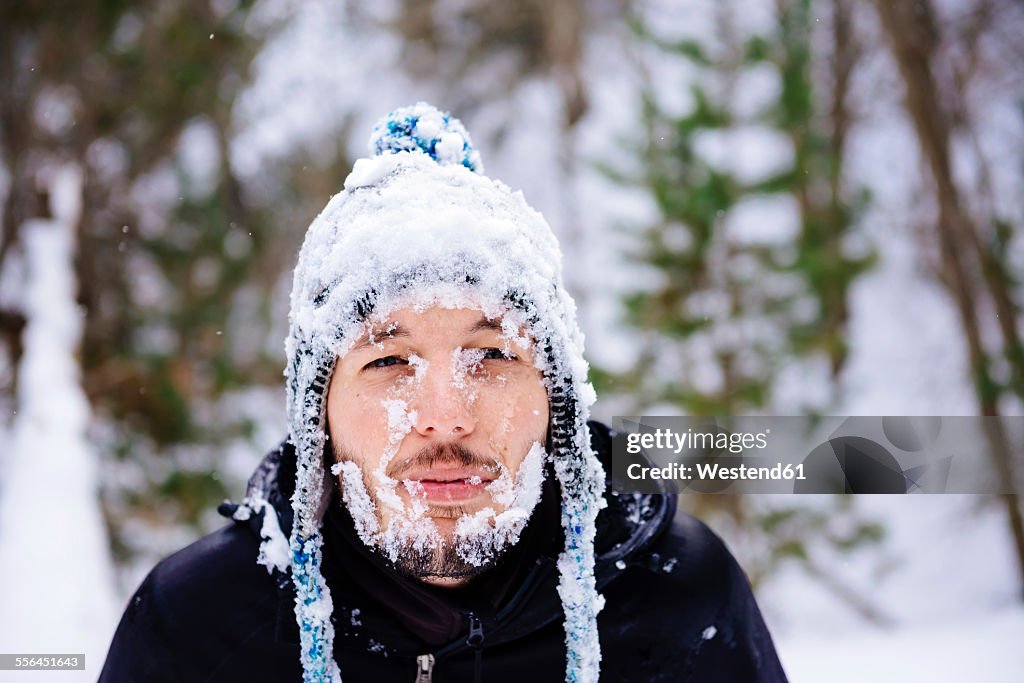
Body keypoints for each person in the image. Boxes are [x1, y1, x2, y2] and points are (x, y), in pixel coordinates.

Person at [100, 103, 789, 683]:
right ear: (319, 416)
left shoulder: (683, 601)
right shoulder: (194, 630)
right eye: (389, 361)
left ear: (556, 397)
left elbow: (872, 455)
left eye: (491, 354)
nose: (444, 415)